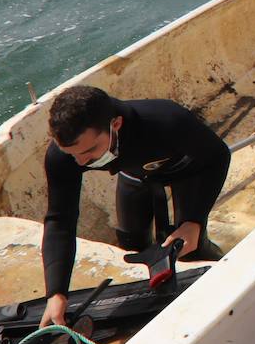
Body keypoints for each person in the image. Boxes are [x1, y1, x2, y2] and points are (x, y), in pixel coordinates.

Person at [40, 84, 231, 326]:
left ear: (116, 125)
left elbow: (217, 156)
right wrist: (56, 292)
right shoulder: (64, 156)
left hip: (186, 170)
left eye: (90, 151)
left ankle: (225, 278)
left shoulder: (167, 119)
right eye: (71, 154)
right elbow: (60, 220)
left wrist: (193, 221)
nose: (80, 162)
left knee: (191, 249)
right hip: (135, 174)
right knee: (132, 247)